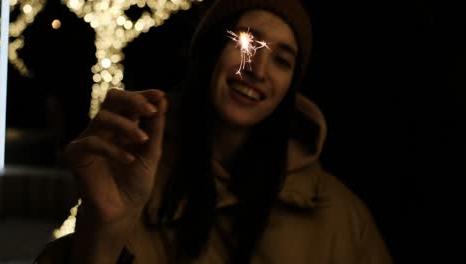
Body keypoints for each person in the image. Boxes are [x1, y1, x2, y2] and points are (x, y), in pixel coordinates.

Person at [35, 0, 393, 263]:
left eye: (283, 60)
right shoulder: (133, 182)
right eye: (244, 43)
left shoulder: (340, 216)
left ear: (290, 89)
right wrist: (102, 233)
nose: (257, 69)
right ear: (208, 53)